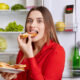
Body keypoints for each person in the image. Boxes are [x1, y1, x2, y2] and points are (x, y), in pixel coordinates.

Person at [1, 6, 65, 80]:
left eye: (39, 21)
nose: (32, 25)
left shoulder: (57, 51)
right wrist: (12, 77)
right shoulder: (23, 51)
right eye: (30, 21)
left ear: (48, 26)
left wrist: (30, 56)